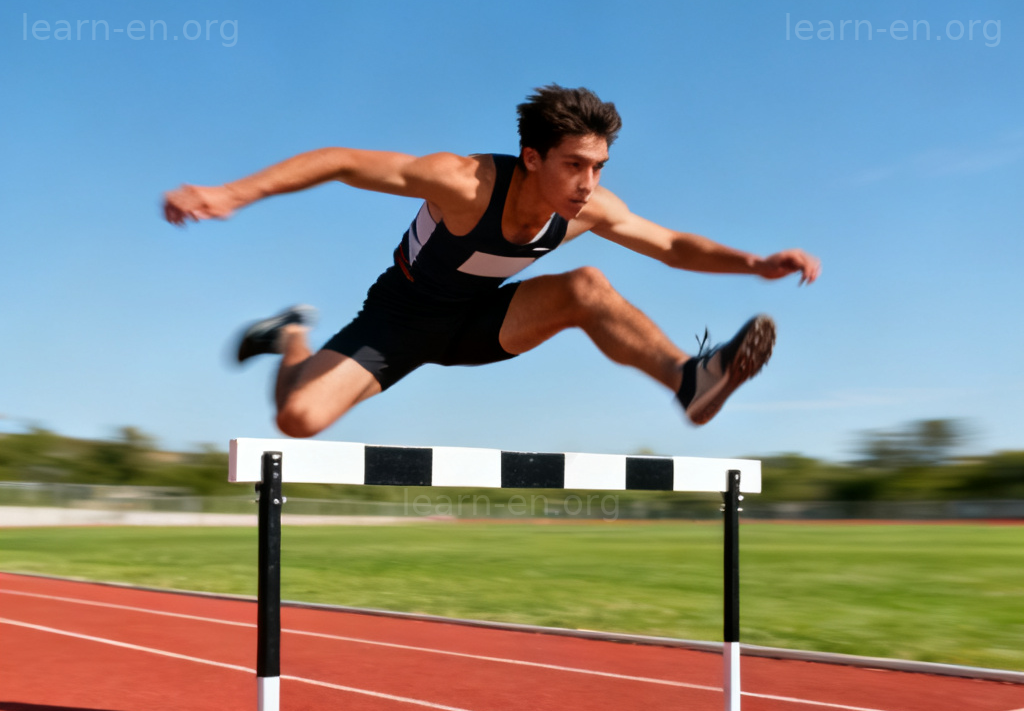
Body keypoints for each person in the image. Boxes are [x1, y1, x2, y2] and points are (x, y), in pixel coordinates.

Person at [163, 85, 819, 438]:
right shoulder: (463, 183)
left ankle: (690, 378)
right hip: (398, 321)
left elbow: (672, 246)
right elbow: (339, 160)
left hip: (481, 323)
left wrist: (753, 262)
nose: (588, 184)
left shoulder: (588, 207)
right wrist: (229, 194)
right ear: (532, 158)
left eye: (599, 167)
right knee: (297, 421)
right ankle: (292, 336)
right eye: (574, 165)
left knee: (587, 284)